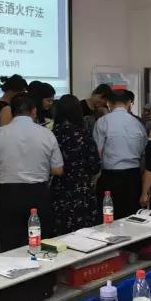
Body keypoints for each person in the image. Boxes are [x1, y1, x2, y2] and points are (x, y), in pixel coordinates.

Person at [0, 94, 63, 251]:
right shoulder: (47, 134)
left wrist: (2, 166)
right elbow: (58, 170)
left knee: (10, 244)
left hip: (9, 195)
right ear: (34, 111)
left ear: (12, 112)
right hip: (38, 194)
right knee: (40, 244)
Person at [50, 95, 102, 235]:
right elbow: (95, 165)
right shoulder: (84, 134)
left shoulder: (52, 134)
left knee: (61, 231)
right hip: (82, 189)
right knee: (84, 232)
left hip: (60, 189)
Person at [94, 89, 148, 220]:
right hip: (133, 175)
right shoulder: (137, 123)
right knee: (131, 215)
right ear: (129, 103)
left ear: (109, 103)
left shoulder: (102, 122)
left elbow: (97, 151)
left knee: (109, 215)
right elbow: (144, 151)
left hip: (110, 175)